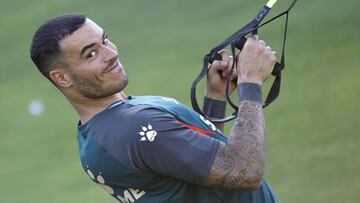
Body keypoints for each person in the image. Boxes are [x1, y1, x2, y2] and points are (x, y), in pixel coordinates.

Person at [30, 13, 279, 203]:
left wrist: (215, 95)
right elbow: (244, 171)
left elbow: (191, 162)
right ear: (62, 78)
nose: (111, 54)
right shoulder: (133, 128)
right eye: (91, 54)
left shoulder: (102, 129)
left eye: (104, 40)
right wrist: (251, 83)